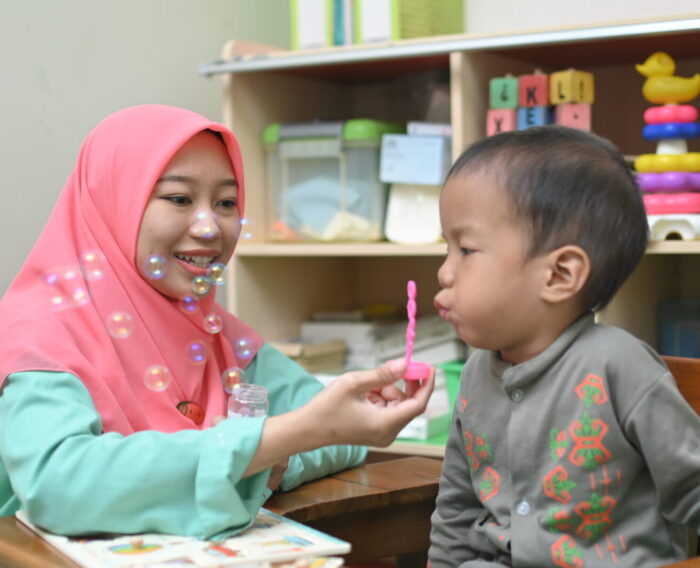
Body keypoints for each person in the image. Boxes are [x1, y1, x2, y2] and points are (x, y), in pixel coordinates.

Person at [0, 104, 433, 539]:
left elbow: (337, 429)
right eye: (179, 199)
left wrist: (272, 459)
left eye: (226, 203)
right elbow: (59, 484)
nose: (209, 227)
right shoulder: (40, 329)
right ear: (113, 202)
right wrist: (257, 451)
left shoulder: (214, 330)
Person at [429, 125, 700, 567]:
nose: (444, 272)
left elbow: (693, 486)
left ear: (559, 275)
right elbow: (457, 507)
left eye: (466, 249)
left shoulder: (620, 367)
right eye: (447, 248)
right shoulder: (477, 372)